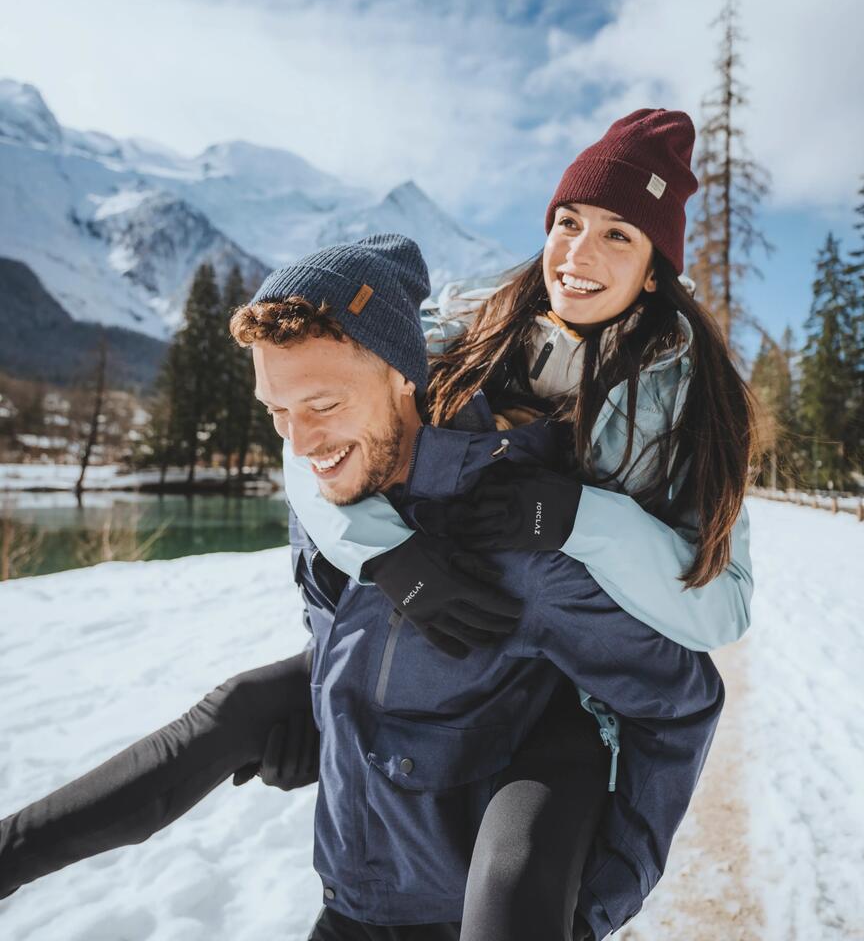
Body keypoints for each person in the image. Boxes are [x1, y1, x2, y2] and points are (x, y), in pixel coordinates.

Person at [0, 110, 755, 938]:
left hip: (568, 680)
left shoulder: (691, 411)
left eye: (618, 235)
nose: (577, 254)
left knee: (517, 875)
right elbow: (321, 437)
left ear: (656, 269)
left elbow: (715, 618)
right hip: (431, 651)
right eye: (568, 222)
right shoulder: (462, 345)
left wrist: (579, 519)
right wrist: (373, 603)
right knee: (233, 715)